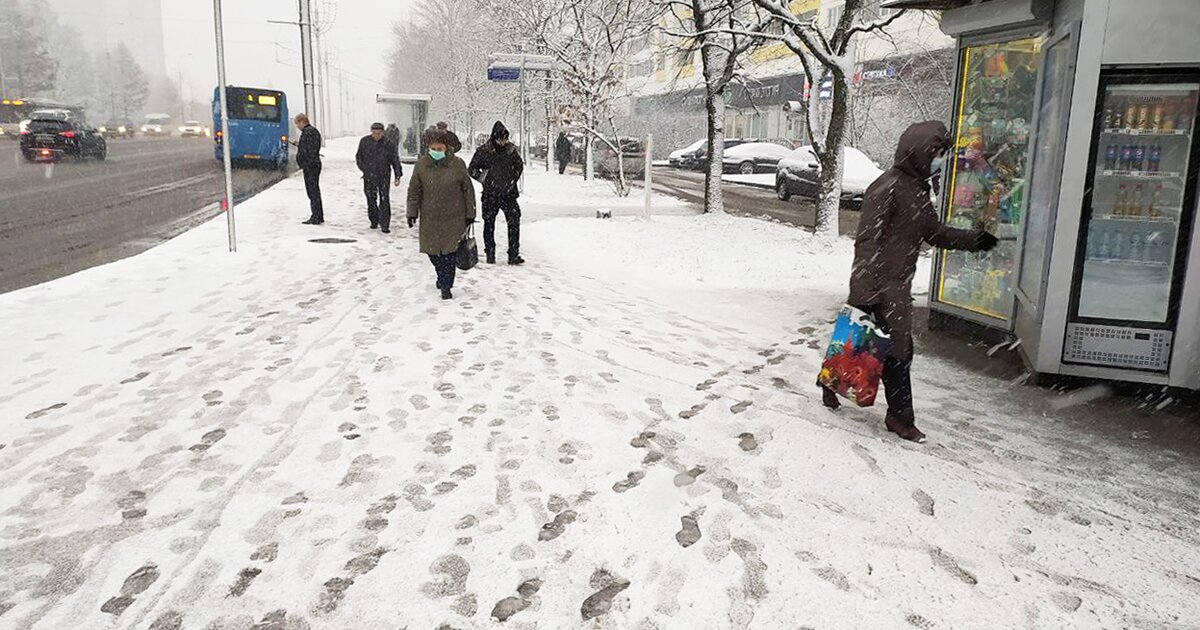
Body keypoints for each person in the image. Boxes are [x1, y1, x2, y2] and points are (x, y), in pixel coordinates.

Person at [825, 120, 998, 443]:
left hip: (893, 282)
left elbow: (932, 233)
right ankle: (900, 419)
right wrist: (867, 287)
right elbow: (868, 240)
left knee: (861, 342)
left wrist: (974, 240)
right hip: (880, 283)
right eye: (936, 153)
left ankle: (830, 386)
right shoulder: (890, 187)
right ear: (918, 152)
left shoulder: (915, 188)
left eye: (942, 154)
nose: (939, 160)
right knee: (897, 352)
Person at [407, 128, 476, 300]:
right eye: (434, 149)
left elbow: (468, 190)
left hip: (454, 216)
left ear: (446, 148)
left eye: (440, 149)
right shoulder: (421, 165)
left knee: (449, 253)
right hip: (430, 217)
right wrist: (411, 212)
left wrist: (470, 213)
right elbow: (414, 191)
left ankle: (446, 285)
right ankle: (441, 275)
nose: (437, 152)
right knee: (433, 253)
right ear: (429, 148)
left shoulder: (457, 164)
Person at [468, 121, 525, 265]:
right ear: (494, 138)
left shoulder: (511, 151)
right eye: (500, 139)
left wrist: (512, 179)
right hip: (490, 194)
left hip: (509, 194)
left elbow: (519, 166)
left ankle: (513, 254)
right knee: (489, 224)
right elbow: (472, 169)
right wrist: (485, 179)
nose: (503, 142)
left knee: (514, 222)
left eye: (505, 139)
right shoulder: (484, 151)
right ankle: (490, 253)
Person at [356, 122, 404, 233]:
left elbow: (395, 159)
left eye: (379, 133)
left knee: (384, 199)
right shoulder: (365, 142)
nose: (376, 135)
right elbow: (359, 156)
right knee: (370, 198)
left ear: (383, 133)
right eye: (374, 133)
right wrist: (364, 168)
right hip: (369, 175)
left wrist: (398, 174)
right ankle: (374, 219)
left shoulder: (388, 143)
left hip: (384, 175)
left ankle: (385, 224)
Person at [294, 113, 323, 225]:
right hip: (313, 165)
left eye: (297, 123)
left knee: (312, 192)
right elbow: (310, 147)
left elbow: (310, 150)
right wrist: (300, 145)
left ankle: (316, 216)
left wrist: (305, 163)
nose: (297, 126)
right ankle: (318, 215)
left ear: (302, 121)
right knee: (314, 191)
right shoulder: (312, 132)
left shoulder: (308, 132)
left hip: (311, 166)